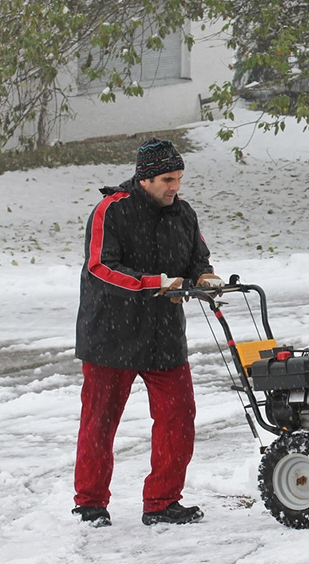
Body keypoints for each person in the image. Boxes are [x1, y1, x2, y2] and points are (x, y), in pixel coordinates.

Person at [73, 138, 223, 528]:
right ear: (144, 179)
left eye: (178, 179)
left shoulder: (184, 214)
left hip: (164, 336)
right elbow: (100, 267)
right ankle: (90, 504)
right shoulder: (112, 210)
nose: (175, 187)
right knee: (100, 421)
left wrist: (204, 278)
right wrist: (153, 283)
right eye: (167, 179)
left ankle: (162, 502)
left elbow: (197, 259)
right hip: (111, 335)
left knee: (179, 417)